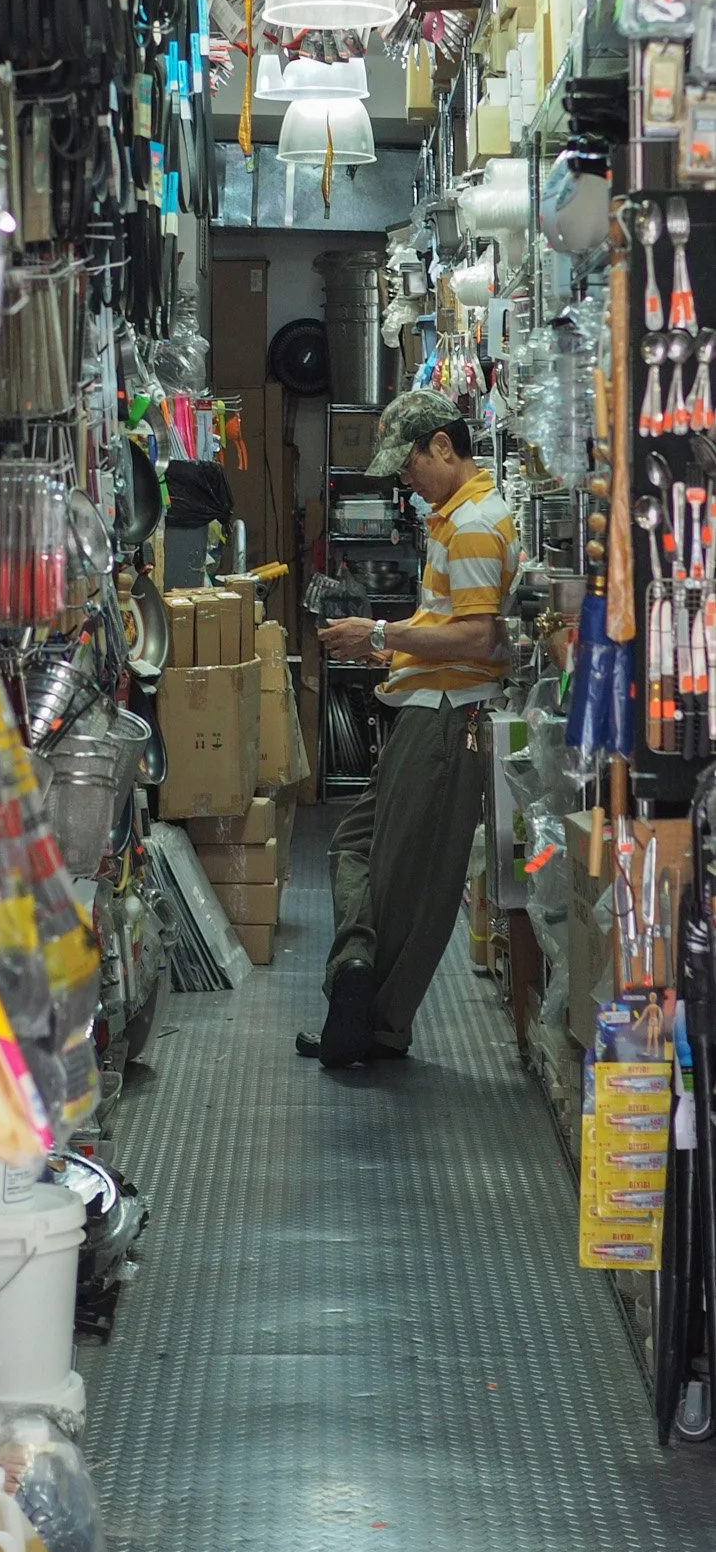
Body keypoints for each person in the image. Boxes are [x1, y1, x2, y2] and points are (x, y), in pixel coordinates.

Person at [297, 388, 521, 1071]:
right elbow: (450, 625)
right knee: (358, 845)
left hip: (451, 720)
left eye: (410, 463)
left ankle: (378, 1021)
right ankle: (358, 972)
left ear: (444, 448)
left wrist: (382, 632)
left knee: (419, 880)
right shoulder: (454, 518)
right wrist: (389, 647)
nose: (404, 478)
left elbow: (480, 635)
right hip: (427, 707)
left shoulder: (479, 522)